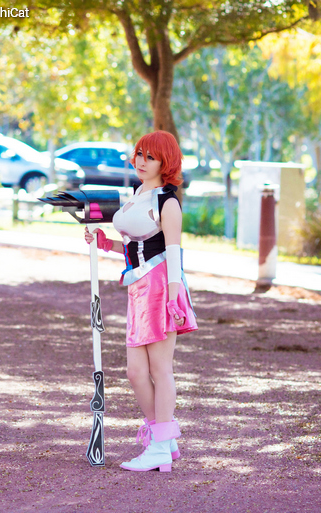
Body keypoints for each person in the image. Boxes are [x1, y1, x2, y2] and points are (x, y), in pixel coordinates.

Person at [84, 130, 197, 472]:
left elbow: (173, 251)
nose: (141, 162)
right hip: (139, 286)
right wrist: (106, 243)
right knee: (135, 372)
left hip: (161, 286)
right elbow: (136, 246)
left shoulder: (167, 202)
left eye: (150, 157)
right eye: (139, 154)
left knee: (160, 369)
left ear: (166, 162)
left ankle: (160, 445)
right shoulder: (137, 194)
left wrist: (174, 298)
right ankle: (164, 437)